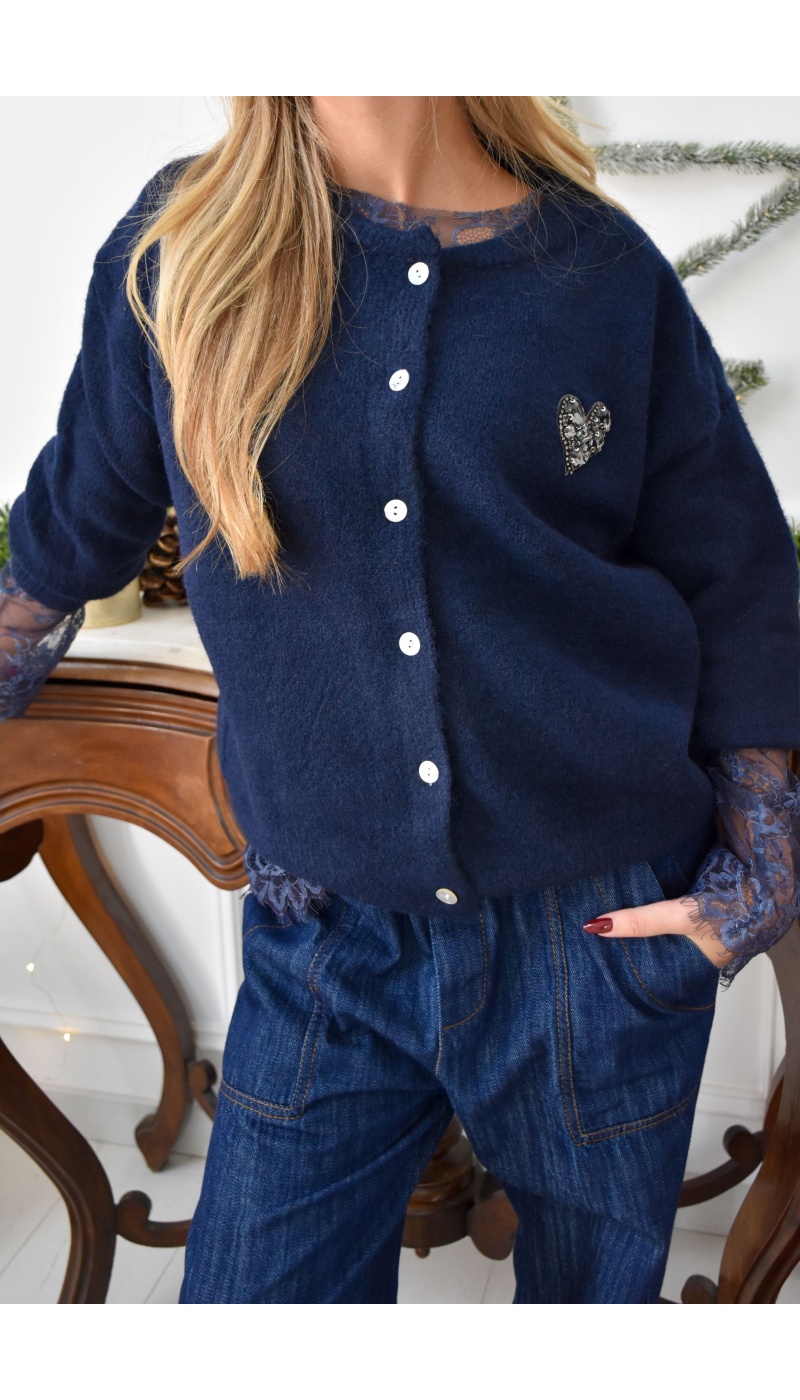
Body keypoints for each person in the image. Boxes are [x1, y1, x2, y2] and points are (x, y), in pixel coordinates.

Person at [2, 96, 800, 1305]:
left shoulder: (599, 268)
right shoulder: (182, 248)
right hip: (324, 939)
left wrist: (759, 862)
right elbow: (63, 546)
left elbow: (731, 569)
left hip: (593, 935)